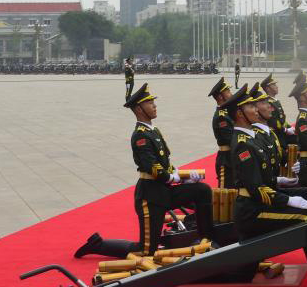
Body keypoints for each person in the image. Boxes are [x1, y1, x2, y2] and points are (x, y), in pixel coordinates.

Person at [74, 83, 216, 259]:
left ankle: (207, 239)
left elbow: (164, 162)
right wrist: (174, 177)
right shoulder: (140, 135)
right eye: (150, 103)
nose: (154, 105)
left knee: (202, 191)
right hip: (150, 197)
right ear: (139, 109)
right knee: (146, 250)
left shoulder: (153, 131)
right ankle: (98, 245)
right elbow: (153, 168)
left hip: (164, 191)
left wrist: (183, 177)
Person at [226, 85, 307, 286]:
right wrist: (290, 199)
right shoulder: (242, 144)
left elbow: (262, 178)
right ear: (240, 114)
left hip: (262, 201)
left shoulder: (251, 138)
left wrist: (281, 181)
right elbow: (256, 189)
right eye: (250, 107)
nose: (256, 109)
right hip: (253, 210)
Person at [208, 77, 235, 188]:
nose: (231, 94)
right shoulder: (221, 117)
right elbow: (230, 139)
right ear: (220, 97)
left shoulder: (228, 112)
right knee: (226, 194)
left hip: (232, 156)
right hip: (227, 159)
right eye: (227, 92)